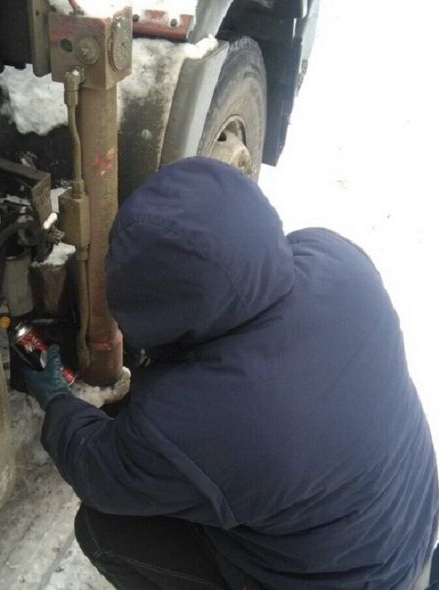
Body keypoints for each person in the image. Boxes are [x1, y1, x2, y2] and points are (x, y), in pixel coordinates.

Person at [23, 157, 439, 589]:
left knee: (102, 528)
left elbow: (100, 471)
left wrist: (57, 404)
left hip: (344, 581)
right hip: (411, 526)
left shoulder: (201, 423)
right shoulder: (337, 260)